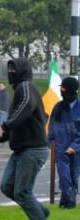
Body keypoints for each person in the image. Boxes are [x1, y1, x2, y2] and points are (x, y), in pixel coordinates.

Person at [0, 57, 51, 220]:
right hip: (21, 151)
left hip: (32, 150)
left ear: (23, 71)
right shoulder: (20, 91)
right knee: (7, 186)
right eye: (9, 70)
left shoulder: (26, 88)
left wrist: (4, 126)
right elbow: (17, 123)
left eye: (14, 70)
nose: (10, 73)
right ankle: (40, 212)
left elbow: (24, 110)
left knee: (21, 191)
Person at [47, 77, 80, 209]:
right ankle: (70, 205)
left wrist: (75, 146)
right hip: (60, 149)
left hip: (76, 151)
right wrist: (48, 143)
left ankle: (64, 203)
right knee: (64, 177)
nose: (61, 91)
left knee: (73, 177)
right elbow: (52, 127)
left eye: (63, 89)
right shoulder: (58, 107)